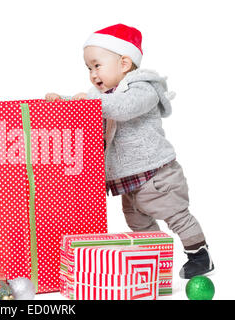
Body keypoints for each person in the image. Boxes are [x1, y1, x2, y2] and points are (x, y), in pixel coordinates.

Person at [46, 24, 214, 279]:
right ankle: (155, 263)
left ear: (124, 63)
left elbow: (123, 107)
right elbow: (87, 106)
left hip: (157, 174)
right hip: (127, 179)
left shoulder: (142, 88)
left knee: (175, 213)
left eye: (97, 65)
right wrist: (64, 103)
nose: (92, 74)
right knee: (138, 223)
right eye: (88, 68)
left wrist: (91, 102)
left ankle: (199, 255)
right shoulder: (100, 95)